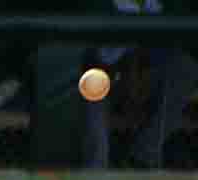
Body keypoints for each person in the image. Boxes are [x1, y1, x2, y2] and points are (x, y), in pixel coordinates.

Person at [82, 0, 198, 169]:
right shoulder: (101, 6)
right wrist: (126, 78)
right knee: (92, 83)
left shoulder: (163, 6)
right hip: (105, 77)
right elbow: (95, 58)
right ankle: (96, 170)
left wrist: (139, 76)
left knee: (185, 69)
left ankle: (142, 158)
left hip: (146, 77)